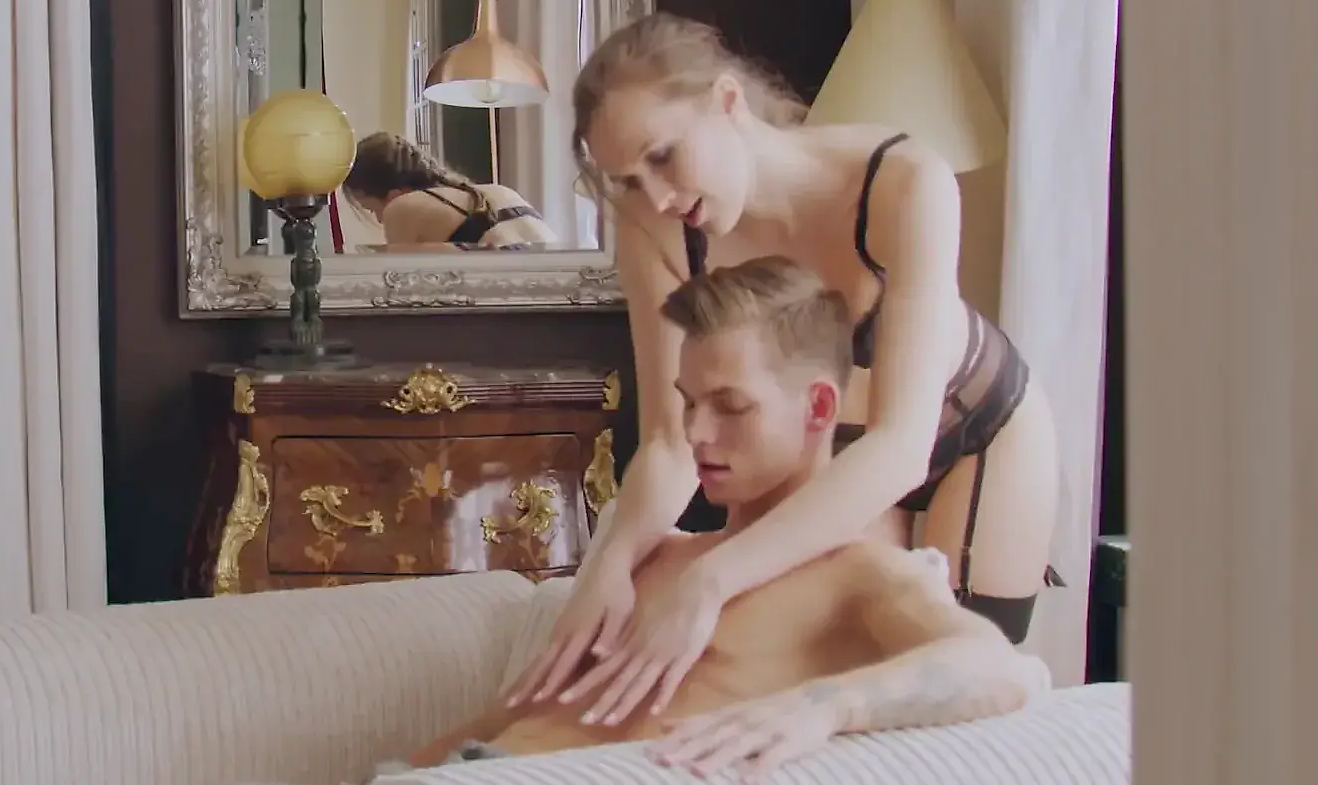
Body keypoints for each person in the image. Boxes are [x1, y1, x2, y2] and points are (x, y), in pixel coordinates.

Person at [504, 15, 1060, 727]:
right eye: (628, 181)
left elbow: (901, 445)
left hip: (977, 429)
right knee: (838, 670)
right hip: (840, 447)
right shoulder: (654, 228)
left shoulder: (904, 182)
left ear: (727, 100)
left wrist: (709, 578)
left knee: (967, 698)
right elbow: (672, 442)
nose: (659, 197)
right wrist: (609, 564)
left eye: (664, 157)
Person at [377, 257, 1046, 779]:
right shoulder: (659, 556)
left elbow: (995, 665)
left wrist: (822, 708)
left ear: (818, 408)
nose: (697, 433)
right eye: (689, 403)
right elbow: (509, 716)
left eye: (730, 406)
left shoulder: (856, 575)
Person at [341, 132, 558, 250]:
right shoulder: (498, 190)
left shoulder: (401, 208)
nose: (380, 219)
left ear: (395, 194)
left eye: (372, 209)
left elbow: (401, 288)